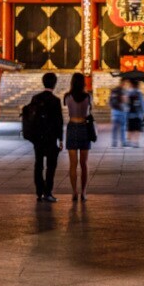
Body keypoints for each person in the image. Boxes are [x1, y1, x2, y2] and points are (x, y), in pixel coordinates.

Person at [21, 71, 64, 202]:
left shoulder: (36, 98)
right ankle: (48, 192)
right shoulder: (55, 100)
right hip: (51, 137)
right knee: (51, 166)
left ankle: (39, 191)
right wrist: (61, 139)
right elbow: (59, 121)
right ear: (54, 84)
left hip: (37, 137)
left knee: (38, 164)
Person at [63, 72, 95, 200]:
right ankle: (84, 192)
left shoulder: (67, 96)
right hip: (84, 128)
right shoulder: (88, 96)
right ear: (83, 83)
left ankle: (74, 192)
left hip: (72, 127)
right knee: (84, 164)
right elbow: (89, 111)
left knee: (72, 164)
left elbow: (67, 106)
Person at [125, 79, 144, 146]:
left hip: (129, 114)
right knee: (137, 128)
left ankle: (129, 141)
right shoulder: (139, 93)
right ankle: (136, 142)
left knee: (130, 128)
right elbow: (142, 103)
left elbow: (125, 103)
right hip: (137, 114)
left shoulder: (128, 93)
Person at [109, 79, 129, 148]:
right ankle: (121, 142)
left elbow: (111, 101)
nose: (125, 85)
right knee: (120, 127)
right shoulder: (120, 91)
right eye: (125, 84)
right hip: (119, 110)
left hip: (118, 111)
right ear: (123, 83)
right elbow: (124, 100)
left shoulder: (115, 90)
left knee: (117, 127)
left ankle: (116, 142)